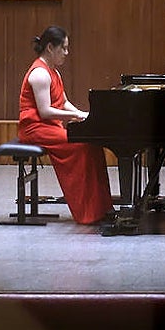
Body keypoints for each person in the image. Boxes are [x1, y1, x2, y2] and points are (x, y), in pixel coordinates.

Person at [17, 26, 115, 226]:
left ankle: (102, 207)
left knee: (91, 144)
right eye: (64, 48)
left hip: (48, 127)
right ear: (51, 48)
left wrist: (83, 115)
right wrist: (74, 115)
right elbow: (45, 111)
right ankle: (88, 212)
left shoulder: (54, 73)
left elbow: (63, 102)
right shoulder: (39, 74)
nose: (67, 53)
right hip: (35, 129)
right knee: (80, 146)